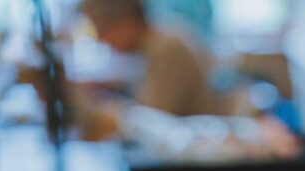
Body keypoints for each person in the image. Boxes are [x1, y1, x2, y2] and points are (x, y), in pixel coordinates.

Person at [80, 0, 219, 117]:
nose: (102, 39)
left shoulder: (166, 48)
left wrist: (107, 111)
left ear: (126, 22)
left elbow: (154, 117)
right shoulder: (155, 42)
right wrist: (112, 86)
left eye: (103, 29)